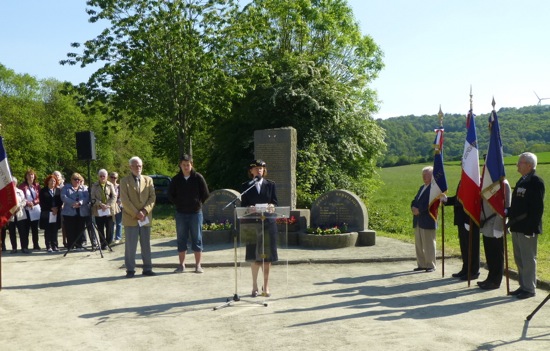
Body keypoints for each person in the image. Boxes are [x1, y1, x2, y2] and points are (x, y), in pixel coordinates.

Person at [507, 152, 545, 299]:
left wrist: (531, 228)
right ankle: (523, 285)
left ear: (529, 165)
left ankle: (529, 289)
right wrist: (507, 212)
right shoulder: (522, 181)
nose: (517, 164)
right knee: (519, 258)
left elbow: (537, 209)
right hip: (517, 226)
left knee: (528, 259)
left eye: (520, 162)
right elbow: (518, 205)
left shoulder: (536, 182)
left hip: (527, 228)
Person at [241, 159, 278, 297]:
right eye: (256, 168)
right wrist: (248, 208)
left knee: (267, 258)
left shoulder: (271, 185)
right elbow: (243, 205)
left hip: (268, 222)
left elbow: (275, 202)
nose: (259, 170)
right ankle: (254, 285)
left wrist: (271, 207)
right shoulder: (246, 186)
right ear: (251, 171)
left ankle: (266, 286)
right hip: (252, 224)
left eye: (261, 168)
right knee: (254, 257)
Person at [168, 154, 210, 273]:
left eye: (188, 165)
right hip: (181, 214)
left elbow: (206, 193)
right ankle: (181, 265)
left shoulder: (198, 178)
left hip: (195, 214)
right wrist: (179, 203)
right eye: (184, 165)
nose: (186, 167)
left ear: (192, 165)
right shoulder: (176, 179)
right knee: (181, 239)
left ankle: (198, 265)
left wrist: (197, 203)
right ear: (180, 165)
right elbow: (170, 195)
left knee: (197, 238)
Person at [120, 156, 156, 278]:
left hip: (145, 218)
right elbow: (125, 200)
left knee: (146, 244)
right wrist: (136, 213)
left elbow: (152, 198)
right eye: (135, 166)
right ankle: (130, 269)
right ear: (130, 167)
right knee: (130, 246)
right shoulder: (124, 181)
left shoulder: (149, 180)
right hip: (131, 218)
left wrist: (145, 211)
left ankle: (147, 268)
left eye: (140, 165)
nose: (138, 168)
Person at [478, 179, 511, 290]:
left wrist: (499, 226)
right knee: (489, 254)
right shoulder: (487, 182)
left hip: (496, 224)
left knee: (497, 255)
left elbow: (505, 206)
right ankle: (490, 277)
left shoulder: (503, 184)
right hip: (487, 223)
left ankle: (496, 281)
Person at [443, 182, 480, 280]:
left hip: (470, 218)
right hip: (461, 218)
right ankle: (466, 268)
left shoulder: (473, 179)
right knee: (464, 246)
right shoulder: (462, 180)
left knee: (472, 246)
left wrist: (470, 219)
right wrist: (447, 200)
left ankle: (473, 271)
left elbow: (473, 199)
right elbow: (459, 198)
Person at [410, 166, 437, 273]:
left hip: (427, 220)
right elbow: (415, 200)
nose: (424, 177)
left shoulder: (433, 188)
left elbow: (430, 204)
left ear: (432, 176)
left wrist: (419, 210)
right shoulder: (422, 187)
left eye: (427, 175)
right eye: (423, 175)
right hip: (417, 220)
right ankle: (421, 264)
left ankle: (431, 265)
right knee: (419, 244)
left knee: (429, 244)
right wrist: (413, 207)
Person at [61, 173, 90, 250]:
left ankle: (79, 244)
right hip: (69, 212)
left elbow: (87, 197)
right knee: (70, 229)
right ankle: (71, 244)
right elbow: (63, 197)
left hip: (81, 211)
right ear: (71, 180)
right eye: (75, 179)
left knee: (80, 228)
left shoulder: (84, 188)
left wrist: (80, 203)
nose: (77, 181)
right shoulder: (66, 188)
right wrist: (73, 203)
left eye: (79, 179)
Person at [90, 169, 118, 249]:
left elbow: (114, 196)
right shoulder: (94, 185)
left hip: (109, 209)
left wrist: (108, 205)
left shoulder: (110, 185)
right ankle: (103, 244)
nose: (102, 177)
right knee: (100, 227)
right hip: (99, 209)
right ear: (98, 177)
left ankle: (108, 242)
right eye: (100, 176)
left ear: (106, 177)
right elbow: (92, 197)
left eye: (104, 176)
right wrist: (100, 204)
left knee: (110, 227)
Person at [2, 177, 28, 253]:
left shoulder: (20, 191)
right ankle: (14, 248)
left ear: (16, 183)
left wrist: (19, 207)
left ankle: (24, 247)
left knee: (22, 232)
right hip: (11, 215)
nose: (12, 184)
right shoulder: (7, 193)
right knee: (12, 232)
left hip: (20, 214)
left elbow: (24, 201)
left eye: (13, 182)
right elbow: (5, 203)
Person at [19, 169, 41, 250]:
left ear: (34, 176)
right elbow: (21, 197)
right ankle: (25, 246)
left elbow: (39, 197)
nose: (30, 176)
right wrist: (28, 203)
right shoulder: (22, 186)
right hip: (26, 209)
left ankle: (36, 244)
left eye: (32, 175)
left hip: (35, 209)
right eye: (28, 175)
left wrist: (34, 202)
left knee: (35, 228)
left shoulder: (37, 185)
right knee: (26, 229)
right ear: (26, 176)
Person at [39, 174, 62, 252]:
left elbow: (60, 201)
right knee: (48, 230)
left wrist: (57, 208)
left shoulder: (58, 190)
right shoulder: (43, 191)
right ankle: (48, 246)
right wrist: (51, 208)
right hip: (47, 213)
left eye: (54, 181)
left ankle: (55, 245)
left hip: (56, 213)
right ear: (48, 181)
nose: (53, 182)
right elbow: (42, 202)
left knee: (55, 229)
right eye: (51, 180)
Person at [109, 171, 123, 244]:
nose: (113, 179)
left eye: (115, 177)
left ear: (117, 178)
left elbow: (122, 196)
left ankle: (118, 238)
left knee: (118, 222)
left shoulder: (119, 186)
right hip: (109, 207)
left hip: (118, 206)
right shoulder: (107, 185)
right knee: (110, 223)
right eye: (112, 177)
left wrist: (118, 202)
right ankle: (110, 238)